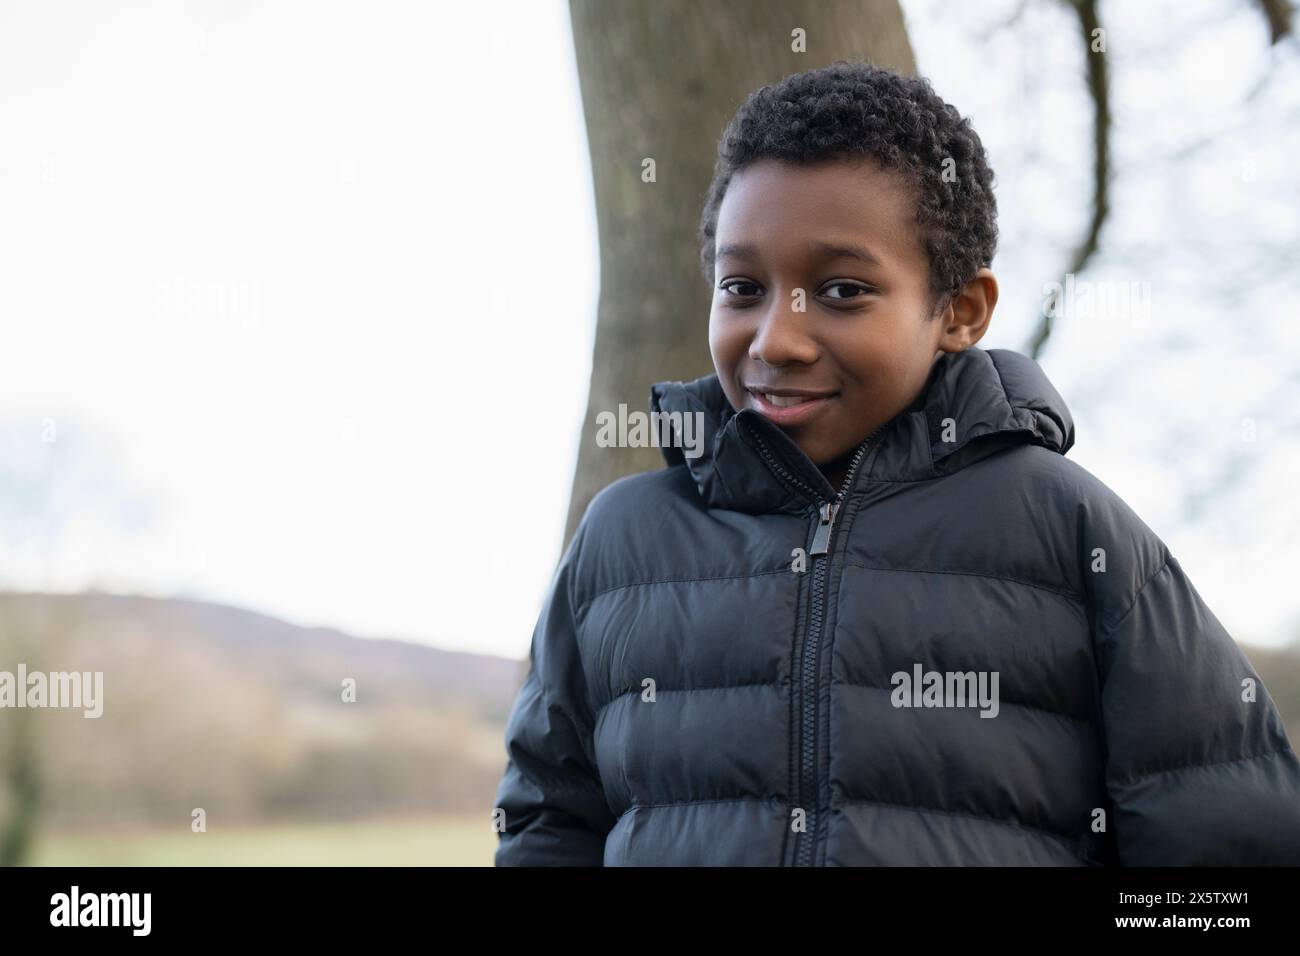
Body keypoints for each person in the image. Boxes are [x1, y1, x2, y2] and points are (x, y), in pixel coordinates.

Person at [493, 60, 1300, 865]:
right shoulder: (623, 543)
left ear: (959, 311)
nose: (776, 338)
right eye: (743, 287)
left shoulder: (1073, 535)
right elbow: (547, 824)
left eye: (842, 291)